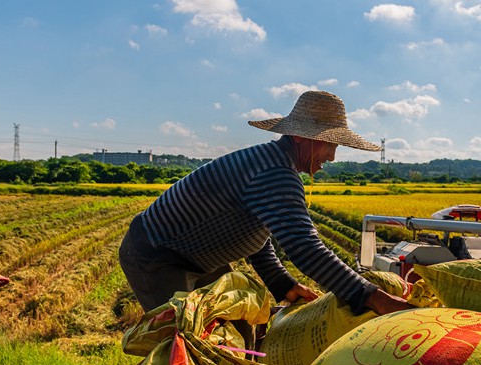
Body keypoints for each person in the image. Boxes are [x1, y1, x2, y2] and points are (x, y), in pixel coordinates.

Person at [119, 90, 414, 320]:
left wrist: (281, 283)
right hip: (158, 254)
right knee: (186, 341)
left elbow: (256, 231)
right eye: (330, 145)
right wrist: (375, 298)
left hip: (200, 255)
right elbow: (306, 248)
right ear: (301, 136)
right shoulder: (274, 172)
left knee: (236, 322)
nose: (332, 157)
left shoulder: (272, 163)